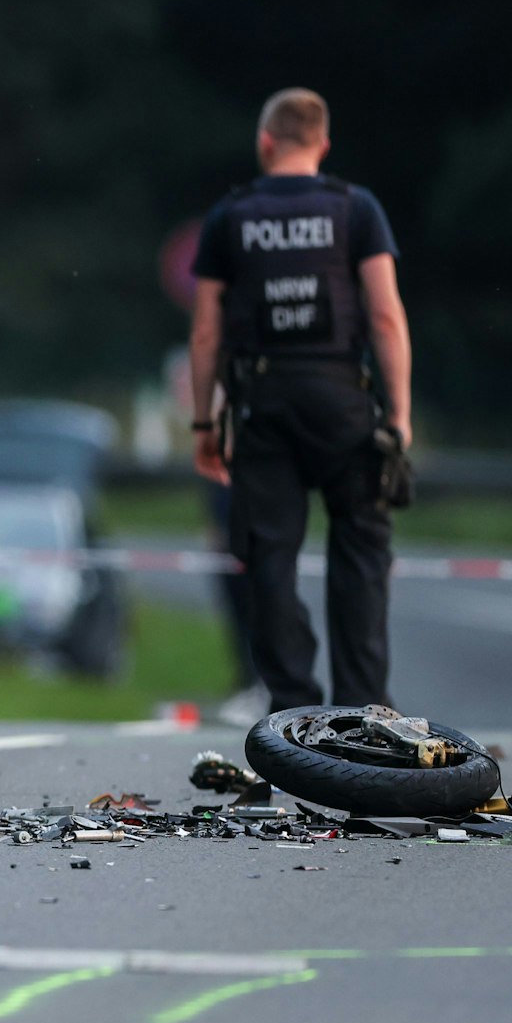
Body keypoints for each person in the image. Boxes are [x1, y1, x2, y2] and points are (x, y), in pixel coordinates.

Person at [188, 88, 411, 713]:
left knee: (267, 555)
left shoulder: (230, 217)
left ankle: (292, 706)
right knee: (362, 550)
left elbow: (206, 330)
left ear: (265, 143)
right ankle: (365, 709)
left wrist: (205, 421)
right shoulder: (356, 209)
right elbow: (387, 317)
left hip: (265, 406)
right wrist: (398, 416)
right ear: (323, 145)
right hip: (344, 400)